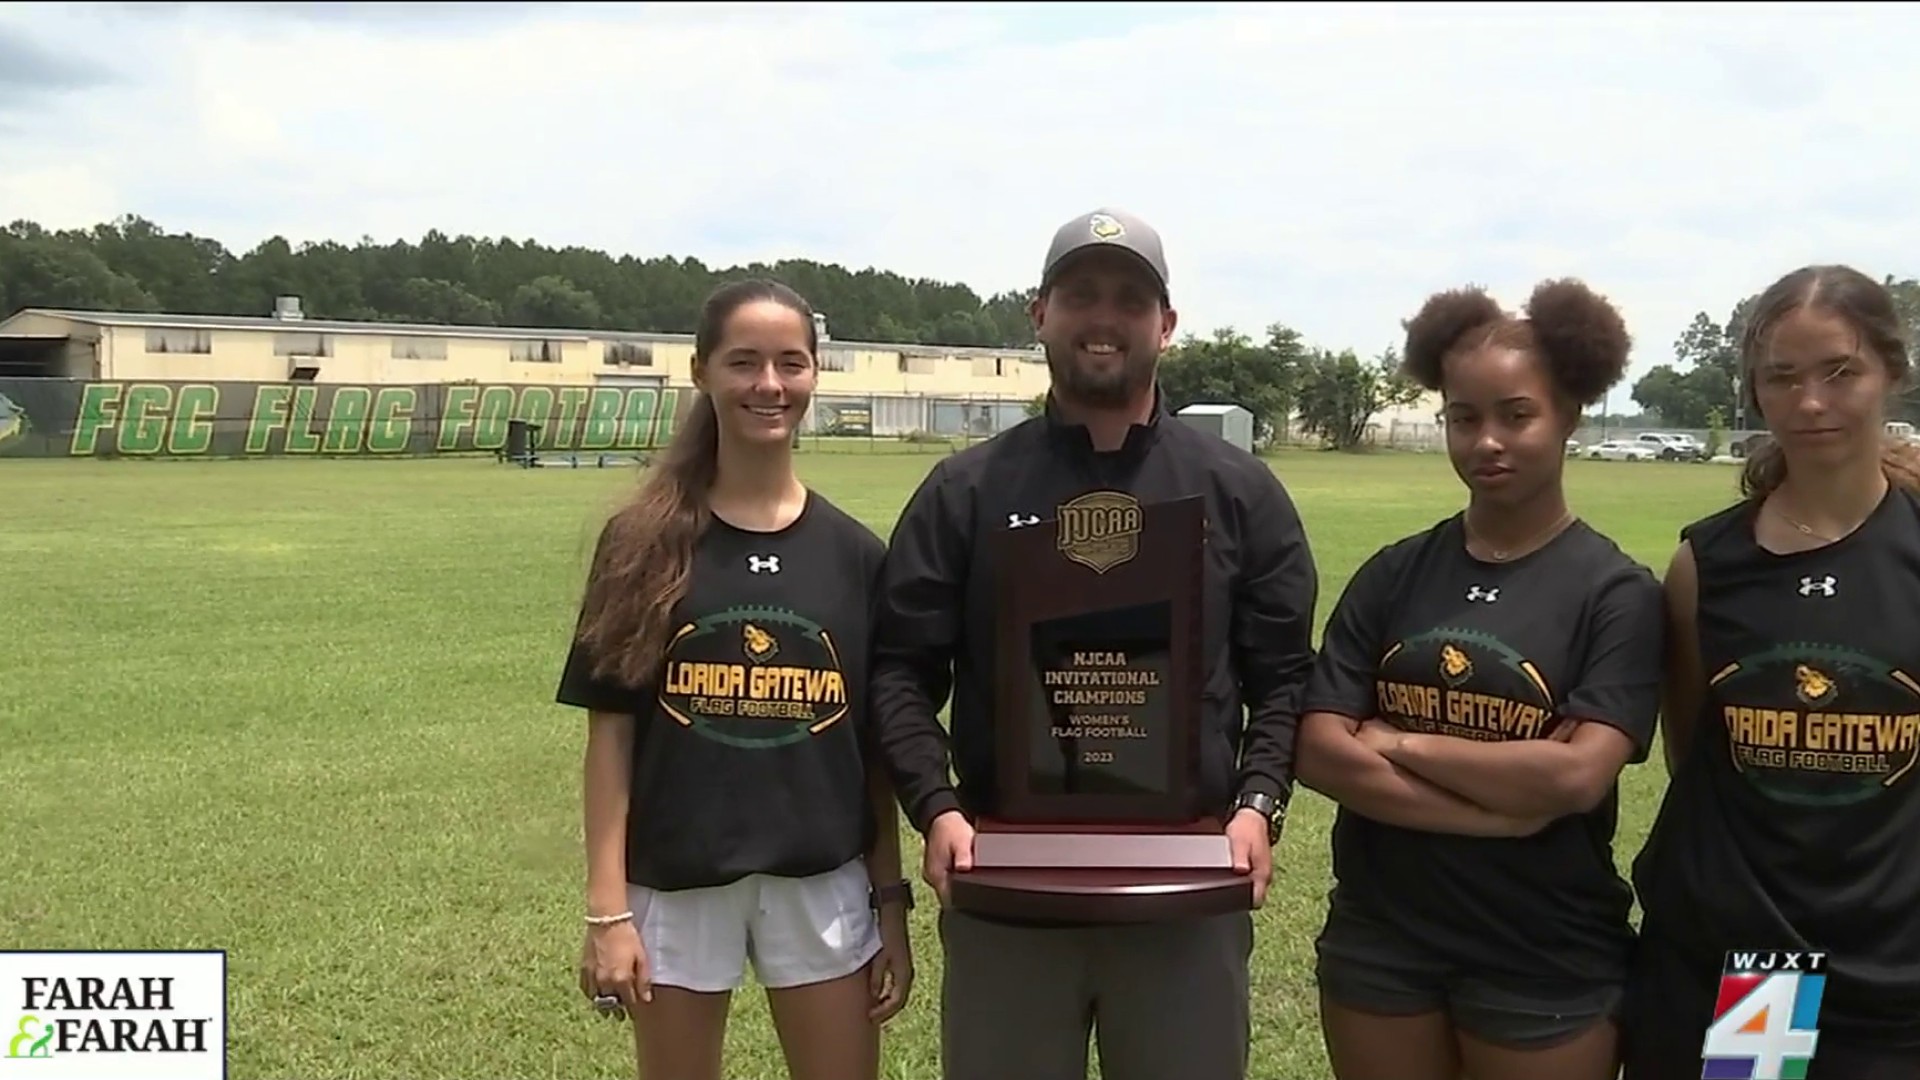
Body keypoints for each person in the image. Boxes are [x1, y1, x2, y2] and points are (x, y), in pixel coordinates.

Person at [867, 207, 1320, 1080]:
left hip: (1184, 884)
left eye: (1128, 299)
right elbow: (901, 668)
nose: (1103, 319)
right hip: (1008, 885)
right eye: (1080, 296)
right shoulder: (967, 490)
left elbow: (1285, 674)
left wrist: (1258, 804)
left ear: (1168, 325)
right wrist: (939, 806)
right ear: (1040, 313)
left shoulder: (1238, 492)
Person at [1293, 279, 1665, 1080]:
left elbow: (1572, 775)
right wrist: (1499, 812)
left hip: (1543, 957)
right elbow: (1319, 749)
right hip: (1382, 943)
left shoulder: (1619, 593)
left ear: (1568, 414)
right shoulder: (1396, 573)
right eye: (1465, 417)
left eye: (1517, 414)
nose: (1487, 440)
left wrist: (1394, 741)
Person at [555, 278, 915, 1080]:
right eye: (744, 362)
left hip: (821, 881)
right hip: (677, 881)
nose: (769, 384)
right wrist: (607, 912)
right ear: (700, 372)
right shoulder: (642, 543)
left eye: (791, 363)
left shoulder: (856, 556)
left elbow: (875, 758)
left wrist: (890, 905)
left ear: (816, 375)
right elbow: (610, 737)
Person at [1622, 265, 1920, 1079]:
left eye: (1841, 372)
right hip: (1754, 966)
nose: (1811, 402)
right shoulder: (1707, 565)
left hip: (1896, 972)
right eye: (1782, 378)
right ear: (1755, 390)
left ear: (1892, 372)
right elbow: (1696, 755)